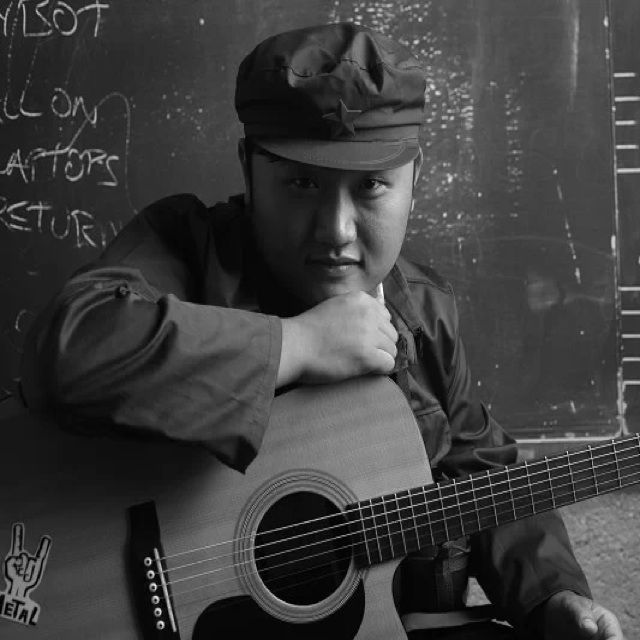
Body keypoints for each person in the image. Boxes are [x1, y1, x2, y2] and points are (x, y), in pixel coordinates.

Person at [20, 22, 624, 640]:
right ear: (249, 170)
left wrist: (554, 597)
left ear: (414, 180)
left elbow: (481, 471)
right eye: (302, 183)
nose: (335, 231)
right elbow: (69, 350)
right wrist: (297, 346)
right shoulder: (185, 247)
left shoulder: (424, 312)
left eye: (371, 186)